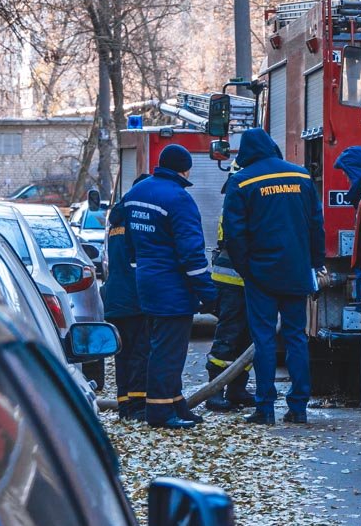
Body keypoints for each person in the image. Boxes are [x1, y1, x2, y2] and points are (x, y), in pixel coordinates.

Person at [223, 128, 325, 425]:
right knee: (296, 338)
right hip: (296, 272)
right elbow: (315, 225)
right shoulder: (302, 177)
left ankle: (265, 408)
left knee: (264, 340)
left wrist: (247, 269)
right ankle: (299, 406)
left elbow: (234, 234)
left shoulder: (241, 181)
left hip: (261, 275)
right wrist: (315, 262)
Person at [124, 144, 217, 429]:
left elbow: (130, 244)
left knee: (160, 346)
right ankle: (161, 412)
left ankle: (176, 403)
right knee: (169, 352)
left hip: (147, 282)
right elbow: (191, 254)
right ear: (184, 168)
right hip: (172, 288)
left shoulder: (135, 194)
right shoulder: (179, 199)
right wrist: (209, 294)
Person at [101, 174, 151, 421]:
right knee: (140, 353)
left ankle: (124, 407)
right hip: (135, 299)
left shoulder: (116, 219)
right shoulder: (137, 218)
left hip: (115, 298)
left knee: (123, 355)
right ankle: (138, 407)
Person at [205, 199, 254, 412]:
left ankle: (237, 389)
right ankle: (215, 391)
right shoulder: (238, 203)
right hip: (231, 280)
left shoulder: (244, 197)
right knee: (229, 335)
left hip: (246, 280)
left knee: (248, 337)